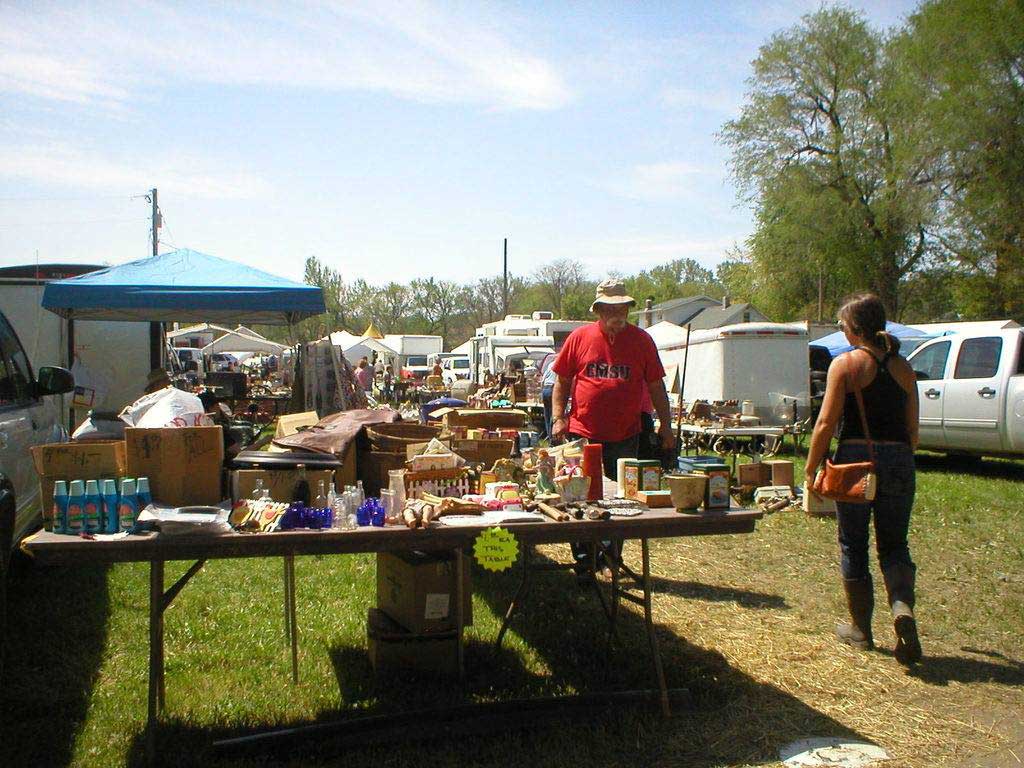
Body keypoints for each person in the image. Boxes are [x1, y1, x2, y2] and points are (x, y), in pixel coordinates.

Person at [804, 292, 922, 666]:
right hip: (900, 459)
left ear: (855, 330)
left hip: (856, 460)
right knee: (895, 545)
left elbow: (825, 423)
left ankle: (861, 629)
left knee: (853, 544)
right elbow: (913, 432)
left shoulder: (847, 364)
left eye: (842, 326)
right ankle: (902, 608)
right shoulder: (904, 368)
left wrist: (810, 468)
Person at [552, 278, 676, 575]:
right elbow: (562, 381)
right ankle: (584, 560)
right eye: (610, 308)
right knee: (578, 496)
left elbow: (657, 386)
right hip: (582, 433)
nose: (617, 314)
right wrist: (559, 417)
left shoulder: (642, 340)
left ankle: (610, 558)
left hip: (626, 434)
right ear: (599, 310)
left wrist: (666, 426)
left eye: (622, 308)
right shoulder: (579, 338)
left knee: (621, 500)